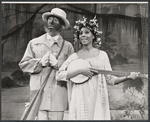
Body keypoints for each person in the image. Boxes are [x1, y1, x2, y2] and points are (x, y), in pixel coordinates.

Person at [56, 16, 139, 120]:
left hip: (98, 98)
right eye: (81, 33)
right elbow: (59, 75)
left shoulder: (102, 55)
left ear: (93, 36)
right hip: (80, 97)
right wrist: (80, 71)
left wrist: (128, 77)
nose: (83, 35)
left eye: (87, 32)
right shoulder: (74, 57)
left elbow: (111, 80)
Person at [19, 8, 74, 120]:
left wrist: (58, 65)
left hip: (58, 97)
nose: (51, 22)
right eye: (49, 19)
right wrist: (39, 63)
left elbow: (72, 72)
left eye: (55, 20)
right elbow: (23, 64)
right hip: (39, 95)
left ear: (62, 26)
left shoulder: (68, 46)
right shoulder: (34, 43)